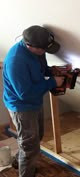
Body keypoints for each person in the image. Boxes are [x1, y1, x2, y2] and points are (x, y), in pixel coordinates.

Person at [2, 25, 65, 177]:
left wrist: (53, 71)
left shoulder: (38, 50)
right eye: (42, 50)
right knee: (30, 147)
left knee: (36, 137)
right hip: (22, 106)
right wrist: (52, 82)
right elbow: (25, 93)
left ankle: (18, 161)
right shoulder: (16, 61)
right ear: (29, 45)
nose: (44, 53)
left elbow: (41, 67)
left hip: (34, 101)